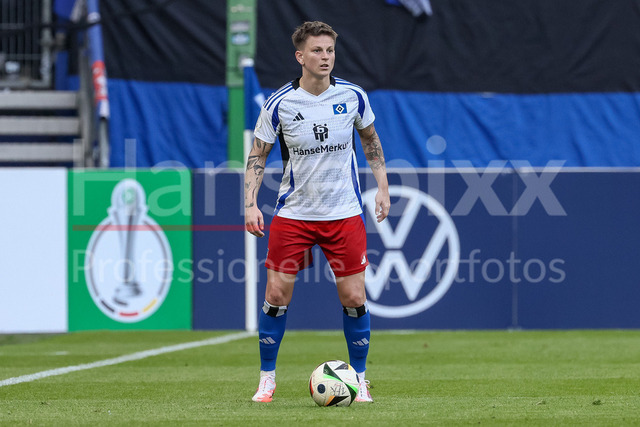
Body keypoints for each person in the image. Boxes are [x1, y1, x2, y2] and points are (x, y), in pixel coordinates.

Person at [244, 21, 390, 403]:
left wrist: (383, 187)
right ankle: (267, 379)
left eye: (330, 51)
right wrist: (250, 204)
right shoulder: (280, 103)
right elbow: (258, 154)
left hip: (344, 213)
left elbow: (370, 140)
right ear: (300, 56)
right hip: (294, 214)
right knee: (276, 293)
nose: (325, 57)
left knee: (354, 297)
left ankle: (359, 379)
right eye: (317, 51)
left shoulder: (353, 96)